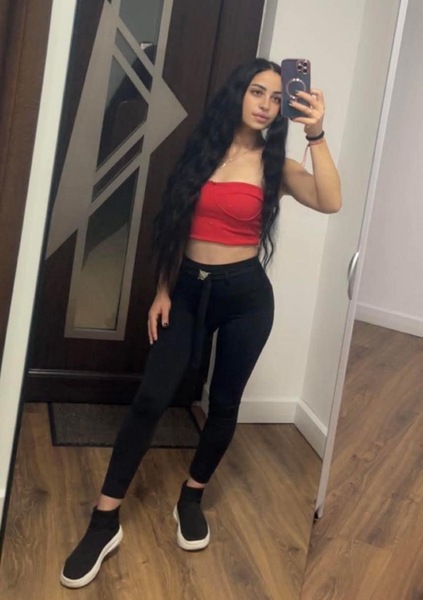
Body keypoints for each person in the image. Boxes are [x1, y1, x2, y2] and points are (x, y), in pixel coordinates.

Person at [60, 58, 341, 589]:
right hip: (187, 290)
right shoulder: (202, 152)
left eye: (276, 97)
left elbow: (331, 201)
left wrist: (317, 132)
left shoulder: (276, 166)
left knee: (224, 402)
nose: (266, 104)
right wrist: (164, 289)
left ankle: (191, 497)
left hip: (245, 299)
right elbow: (174, 225)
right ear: (238, 94)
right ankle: (104, 520)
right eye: (257, 91)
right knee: (151, 397)